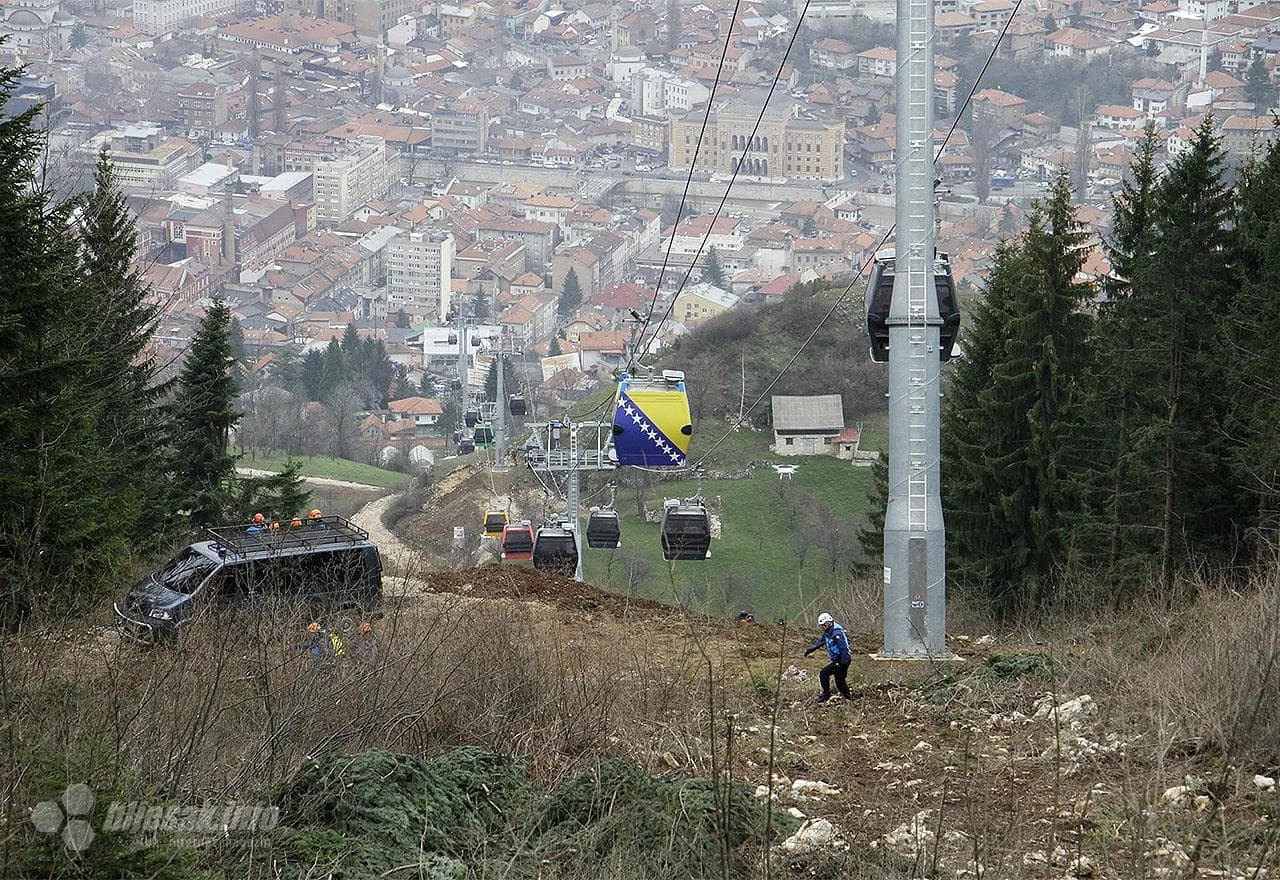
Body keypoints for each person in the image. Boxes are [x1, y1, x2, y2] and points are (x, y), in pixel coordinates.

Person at [803, 612, 852, 703]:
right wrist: (809, 650)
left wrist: (843, 662)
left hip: (842, 659)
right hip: (838, 659)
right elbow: (820, 642)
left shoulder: (837, 633)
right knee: (840, 680)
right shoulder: (828, 633)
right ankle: (847, 696)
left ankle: (826, 694)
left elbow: (843, 648)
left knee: (824, 673)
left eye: (824, 625)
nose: (823, 627)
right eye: (821, 626)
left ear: (829, 623)